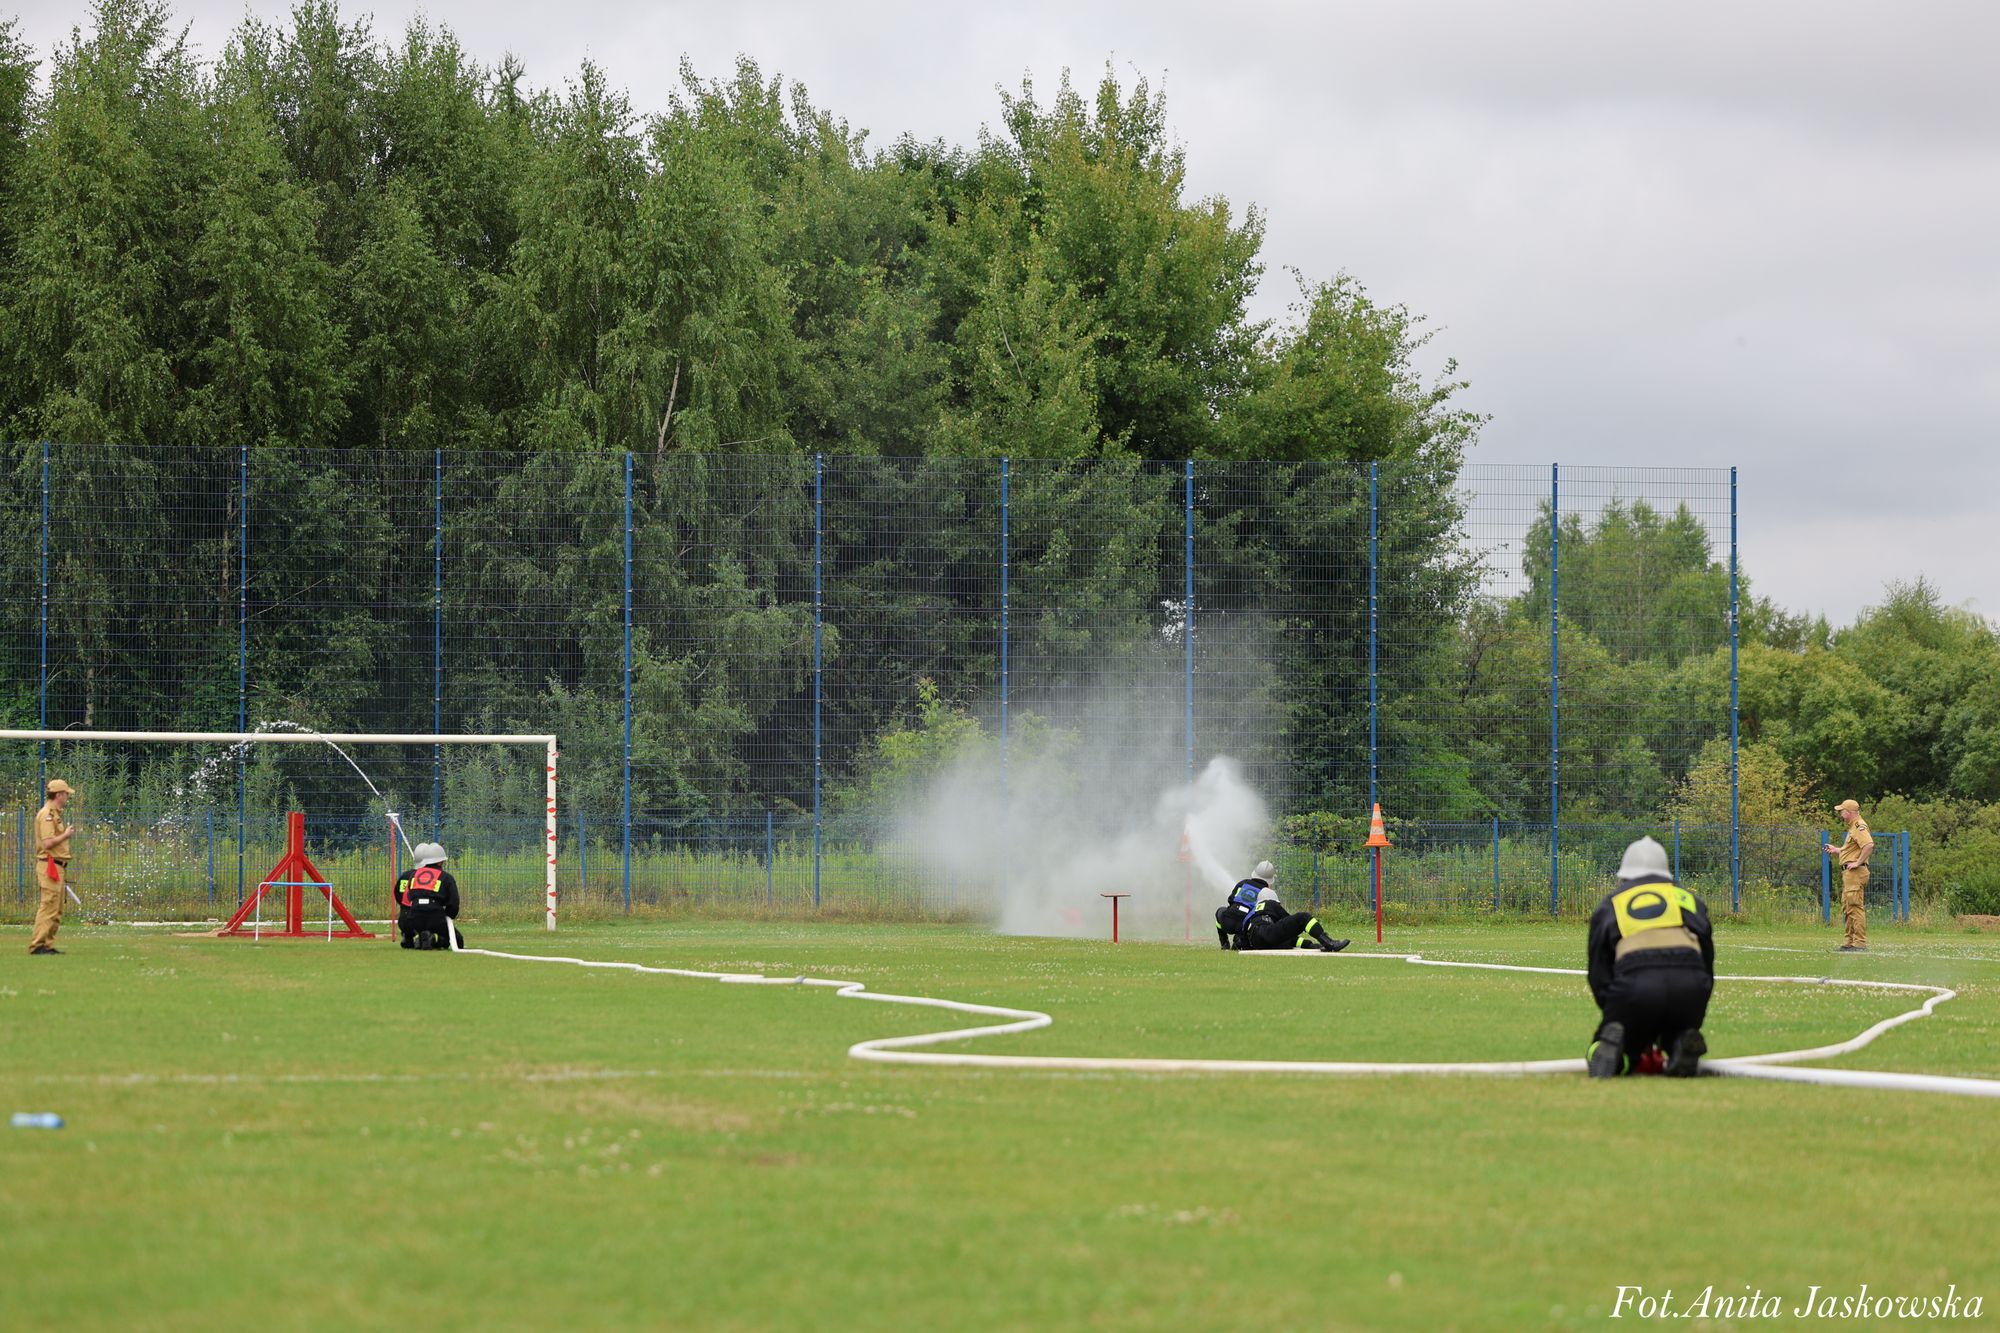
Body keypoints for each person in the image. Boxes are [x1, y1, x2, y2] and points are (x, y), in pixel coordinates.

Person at [1586, 836, 1715, 1079]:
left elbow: (1598, 972)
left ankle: (1618, 1053)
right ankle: (1680, 1043)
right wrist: (1698, 999)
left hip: (1635, 988)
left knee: (1618, 1044)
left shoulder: (1610, 905)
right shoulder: (1689, 900)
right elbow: (1706, 960)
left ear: (1624, 875)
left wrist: (1613, 1013)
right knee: (1677, 1030)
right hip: (1690, 985)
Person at [1216, 862, 1348, 953]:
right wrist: (1308, 942)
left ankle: (1225, 944)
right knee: (1302, 918)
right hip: (1259, 934)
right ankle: (1329, 942)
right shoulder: (1270, 903)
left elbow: (1230, 901)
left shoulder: (1243, 886)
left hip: (1244, 934)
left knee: (1220, 912)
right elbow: (1286, 928)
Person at [28, 779, 76, 955]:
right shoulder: (47, 814)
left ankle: (47, 944)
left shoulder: (55, 813)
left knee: (56, 908)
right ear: (59, 795)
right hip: (50, 866)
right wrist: (66, 835)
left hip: (57, 866)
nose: (67, 798)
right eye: (66, 794)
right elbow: (48, 843)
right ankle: (38, 945)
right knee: (48, 906)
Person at [1824, 798, 1873, 952]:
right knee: (1848, 906)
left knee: (1855, 906)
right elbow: (1853, 850)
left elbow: (1869, 845)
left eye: (1842, 811)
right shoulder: (1852, 827)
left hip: (1855, 873)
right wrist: (1837, 850)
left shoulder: (1859, 826)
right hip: (1850, 873)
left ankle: (1859, 943)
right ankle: (1849, 942)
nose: (1840, 814)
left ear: (1849, 812)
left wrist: (1858, 862)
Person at [394, 843, 462, 950]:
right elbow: (454, 902)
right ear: (440, 861)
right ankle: (432, 937)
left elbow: (406, 898)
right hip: (435, 915)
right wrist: (447, 916)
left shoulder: (413, 875)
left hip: (414, 917)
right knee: (457, 940)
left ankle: (420, 936)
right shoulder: (446, 877)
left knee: (419, 926)